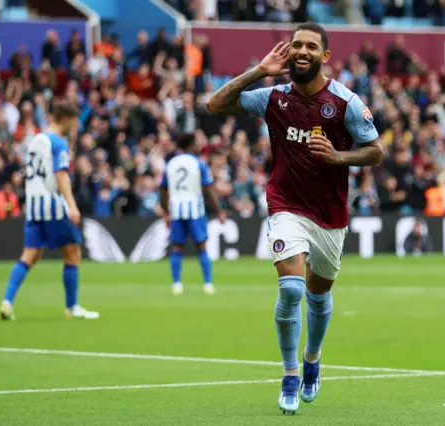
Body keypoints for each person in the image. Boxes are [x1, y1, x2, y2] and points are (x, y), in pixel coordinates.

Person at [206, 22, 383, 415]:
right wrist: (258, 71)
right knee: (291, 290)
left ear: (325, 56)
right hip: (286, 205)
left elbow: (376, 151)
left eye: (310, 47)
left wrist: (339, 157)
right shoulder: (274, 97)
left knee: (318, 295)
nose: (301, 52)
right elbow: (213, 105)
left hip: (330, 216)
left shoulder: (344, 102)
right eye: (296, 45)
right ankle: (288, 375)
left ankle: (312, 359)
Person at [0, 102, 99, 321]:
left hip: (34, 205)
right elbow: (61, 175)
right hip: (53, 205)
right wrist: (71, 205)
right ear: (65, 120)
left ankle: (7, 301)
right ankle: (72, 307)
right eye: (73, 123)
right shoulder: (58, 142)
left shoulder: (36, 139)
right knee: (72, 253)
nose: (75, 127)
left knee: (29, 255)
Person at [159, 133, 226, 296]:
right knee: (201, 246)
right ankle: (208, 284)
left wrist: (166, 212)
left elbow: (163, 190)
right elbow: (208, 189)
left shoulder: (171, 164)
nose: (198, 146)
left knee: (177, 247)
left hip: (176, 209)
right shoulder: (199, 164)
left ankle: (176, 284)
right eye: (196, 143)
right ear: (191, 145)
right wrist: (219, 211)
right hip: (195, 209)